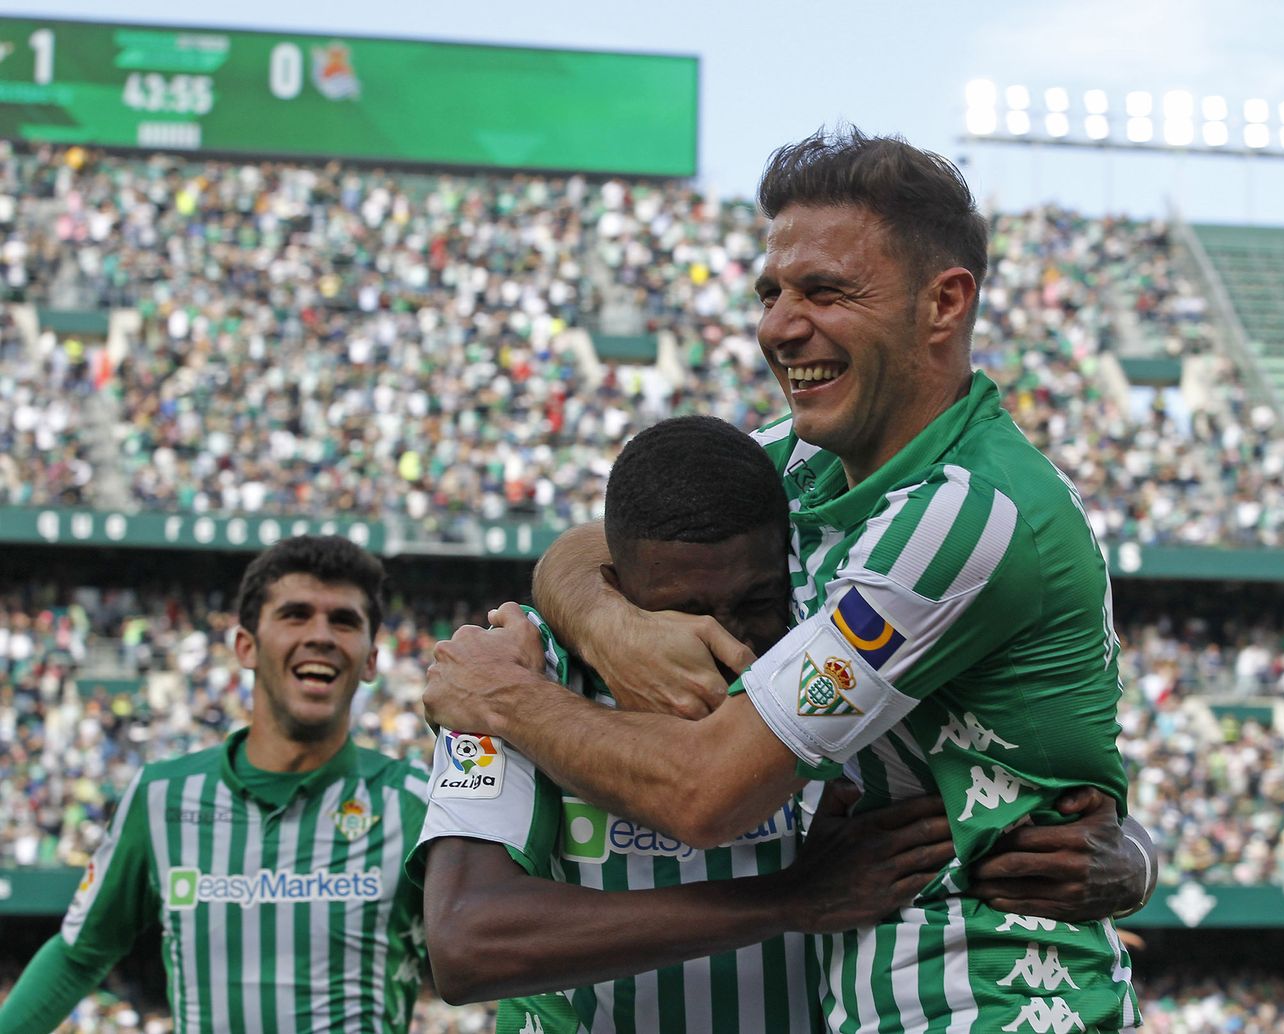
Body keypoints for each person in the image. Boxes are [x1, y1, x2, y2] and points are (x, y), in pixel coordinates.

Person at [425, 127, 1144, 1031]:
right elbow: (608, 530)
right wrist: (613, 625)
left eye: (826, 291)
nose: (778, 324)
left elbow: (706, 793)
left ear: (944, 304)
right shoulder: (800, 461)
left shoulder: (965, 515)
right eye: (771, 291)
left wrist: (505, 700)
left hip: (989, 1003)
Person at [410, 415, 1153, 1033]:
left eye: (756, 601)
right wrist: (786, 902)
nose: (731, 643)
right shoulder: (516, 674)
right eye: (684, 611)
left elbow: (1024, 799)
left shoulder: (826, 668)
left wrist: (1135, 855)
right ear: (617, 586)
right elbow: (468, 942)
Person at [0, 536, 429, 1034]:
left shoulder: (416, 804)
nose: (321, 635)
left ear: (371, 659)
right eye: (295, 614)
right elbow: (79, 955)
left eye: (344, 621)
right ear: (245, 645)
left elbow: (494, 960)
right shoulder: (162, 798)